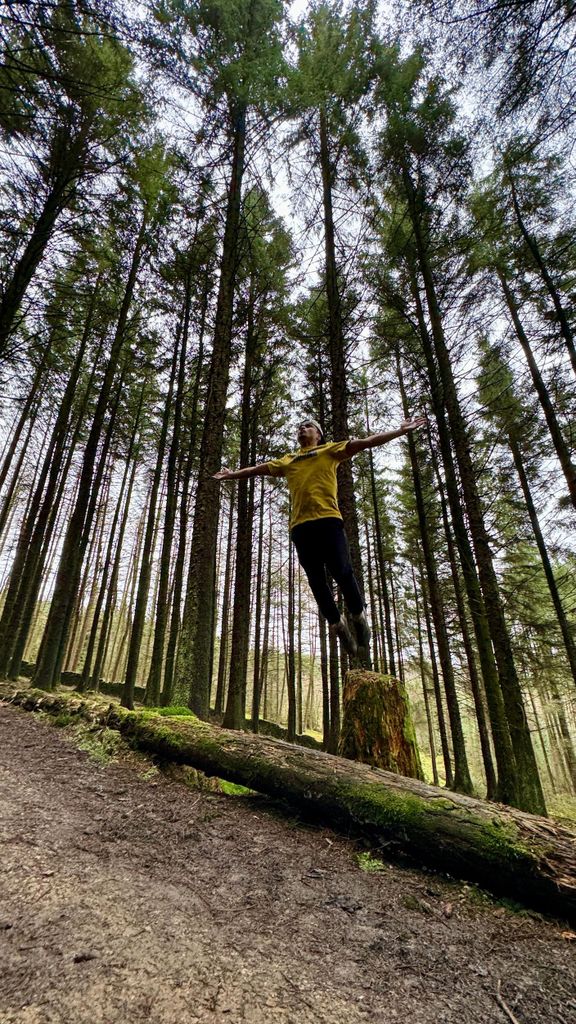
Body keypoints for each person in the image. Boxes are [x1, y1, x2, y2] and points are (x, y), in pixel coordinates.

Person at [213, 416, 426, 657]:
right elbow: (255, 470)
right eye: (299, 427)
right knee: (316, 581)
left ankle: (358, 616)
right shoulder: (288, 460)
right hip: (301, 527)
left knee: (342, 571)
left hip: (328, 520)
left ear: (318, 434)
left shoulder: (330, 450)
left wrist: (399, 431)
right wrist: (231, 475)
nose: (302, 429)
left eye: (308, 426)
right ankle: (338, 625)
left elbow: (367, 442)